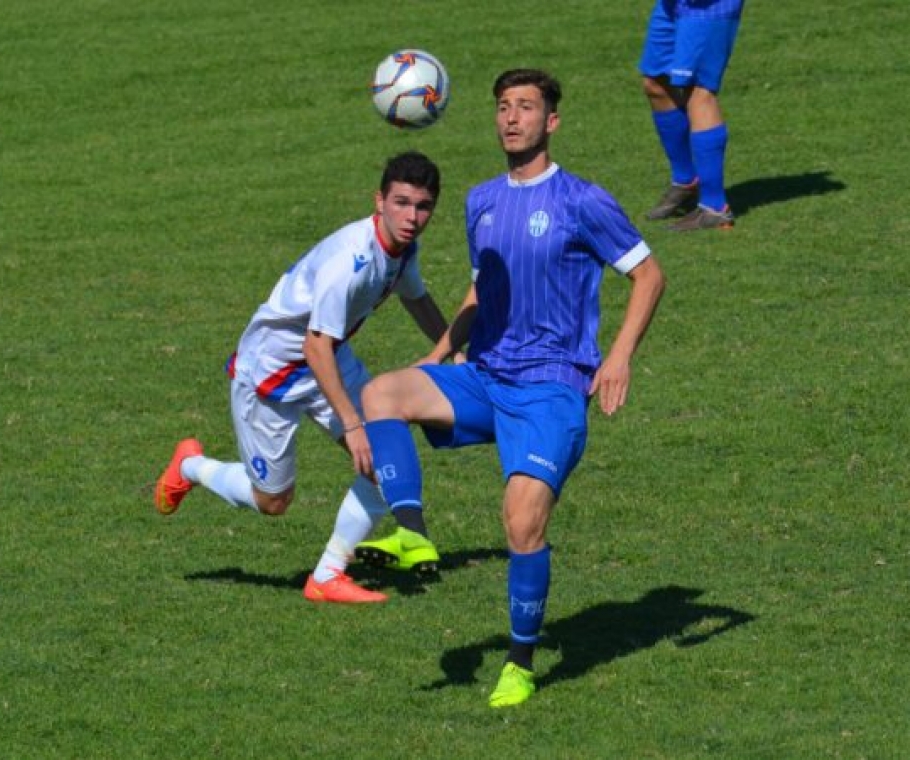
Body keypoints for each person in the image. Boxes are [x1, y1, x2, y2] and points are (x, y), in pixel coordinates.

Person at [358, 69, 666, 707]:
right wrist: (443, 351)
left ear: (550, 122)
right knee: (383, 394)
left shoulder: (582, 201)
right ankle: (412, 529)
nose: (511, 118)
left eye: (526, 107)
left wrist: (618, 358)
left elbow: (649, 276)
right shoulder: (480, 201)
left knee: (521, 522)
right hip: (486, 374)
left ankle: (521, 662)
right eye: (503, 107)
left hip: (551, 389)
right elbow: (480, 289)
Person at [150, 151, 451, 604]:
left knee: (384, 462)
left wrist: (455, 350)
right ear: (379, 201)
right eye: (402, 203)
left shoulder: (403, 251)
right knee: (273, 502)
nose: (411, 217)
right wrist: (351, 425)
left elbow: (418, 300)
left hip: (330, 357)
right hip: (273, 374)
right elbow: (313, 346)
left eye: (422, 206)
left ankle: (328, 575)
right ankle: (190, 466)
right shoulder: (351, 261)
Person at [639, 0, 745, 231]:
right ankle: (686, 181)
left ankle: (714, 208)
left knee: (699, 91)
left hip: (706, 8)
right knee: (655, 82)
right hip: (672, 5)